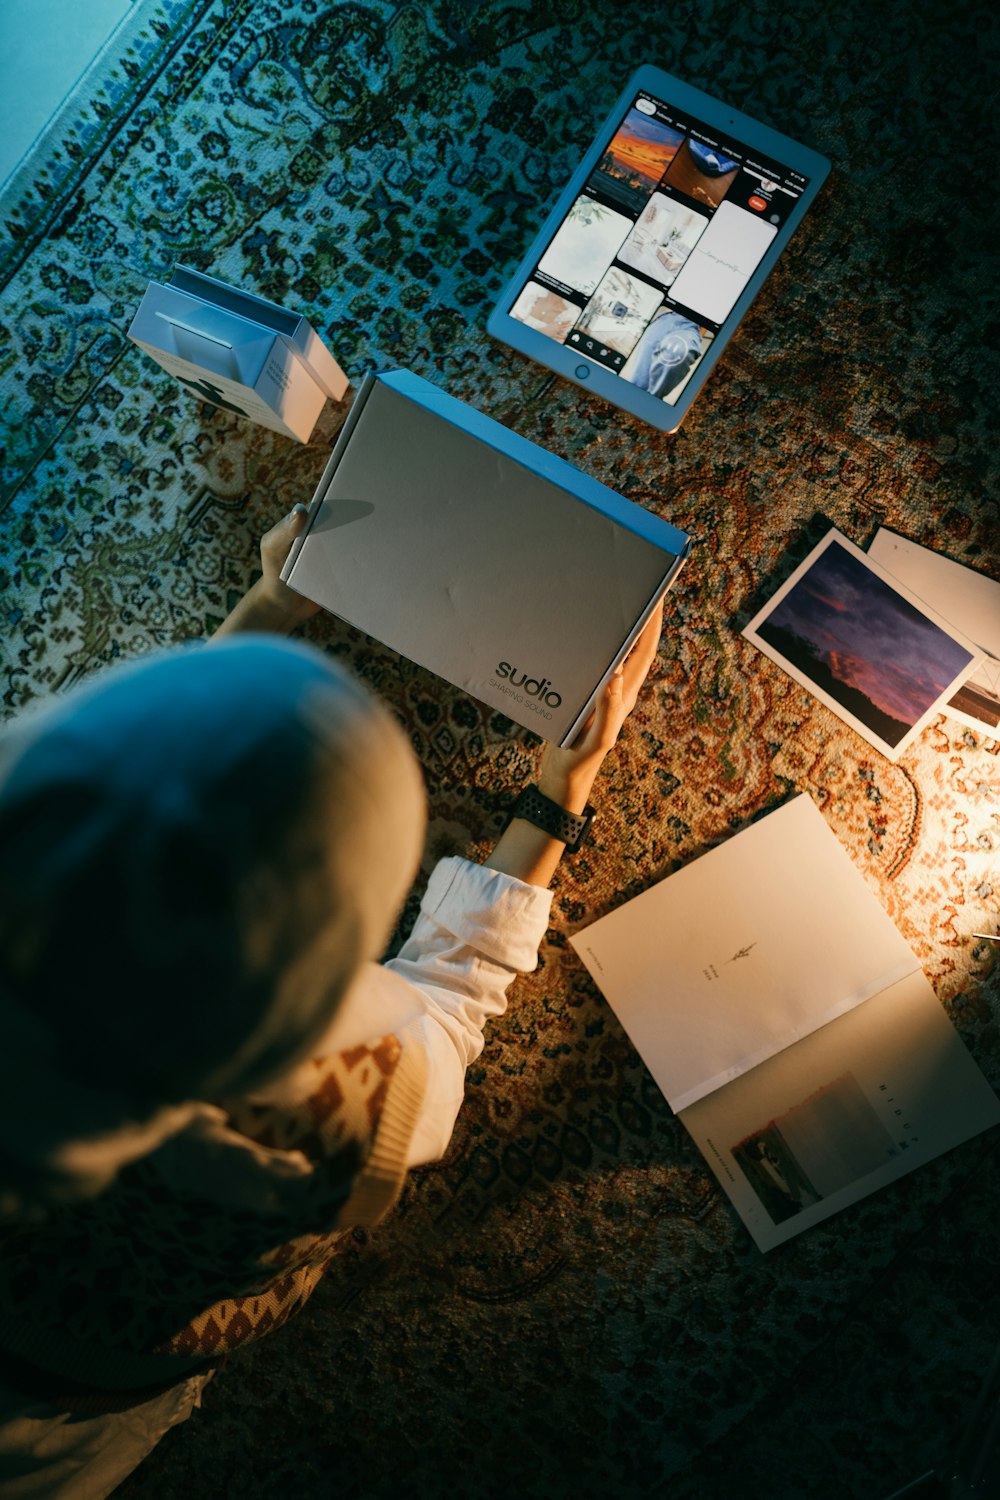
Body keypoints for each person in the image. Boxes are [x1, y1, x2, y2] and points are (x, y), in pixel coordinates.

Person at [0, 504, 663, 1498]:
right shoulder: (359, 1109)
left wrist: (265, 612)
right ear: (325, 992)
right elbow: (451, 992)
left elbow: (116, 802)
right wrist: (567, 779)